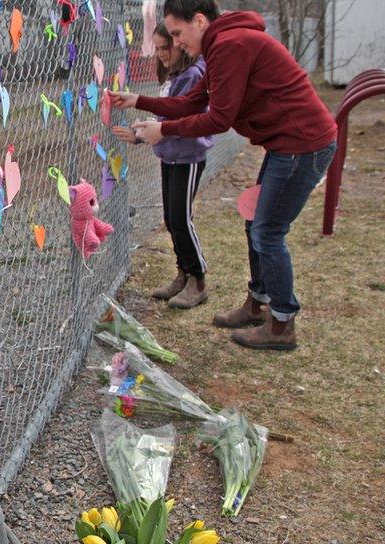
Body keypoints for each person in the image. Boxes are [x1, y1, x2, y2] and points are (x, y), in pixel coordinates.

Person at [110, 0, 337, 351]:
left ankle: (282, 323)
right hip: (287, 144)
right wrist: (138, 99)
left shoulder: (230, 46)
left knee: (268, 231)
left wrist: (164, 131)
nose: (177, 42)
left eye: (177, 33)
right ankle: (258, 302)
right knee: (255, 223)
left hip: (301, 144)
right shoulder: (220, 46)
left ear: (199, 21)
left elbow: (219, 118)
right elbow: (190, 103)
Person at [112, 23, 214, 309]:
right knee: (171, 218)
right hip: (170, 155)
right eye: (156, 49)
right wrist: (140, 136)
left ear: (179, 44)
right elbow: (164, 120)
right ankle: (183, 273)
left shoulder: (193, 75)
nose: (160, 54)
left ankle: (198, 279)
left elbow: (183, 119)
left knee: (181, 218)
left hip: (188, 156)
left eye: (164, 47)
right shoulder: (174, 75)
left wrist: (148, 131)